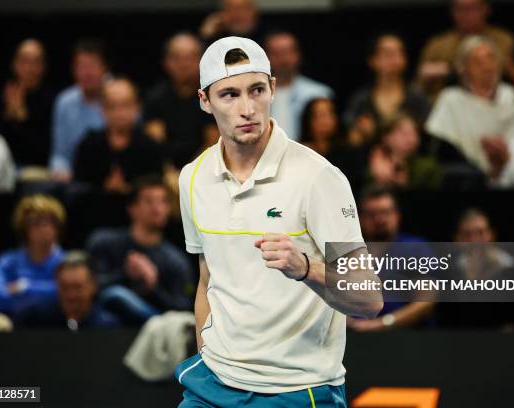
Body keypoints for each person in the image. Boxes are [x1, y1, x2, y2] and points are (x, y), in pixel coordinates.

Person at [176, 36, 382, 407]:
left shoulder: (319, 177)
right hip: (214, 382)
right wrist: (208, 352)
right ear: (205, 101)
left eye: (256, 90)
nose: (247, 108)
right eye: (229, 95)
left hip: (298, 389)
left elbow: (368, 298)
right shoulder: (192, 177)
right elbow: (207, 281)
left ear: (272, 89)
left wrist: (305, 267)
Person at [87, 176, 194, 325]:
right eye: (149, 201)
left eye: (163, 201)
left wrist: (152, 287)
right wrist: (126, 274)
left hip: (156, 326)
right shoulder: (105, 242)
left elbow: (184, 308)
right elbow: (90, 288)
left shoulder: (176, 260)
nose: (157, 208)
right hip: (107, 324)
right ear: (132, 208)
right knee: (114, 297)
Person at [425, 35, 514, 175]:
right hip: (466, 177)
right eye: (477, 62)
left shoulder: (511, 96)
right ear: (463, 68)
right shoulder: (451, 99)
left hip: (511, 174)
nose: (487, 66)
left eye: (491, 58)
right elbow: (440, 143)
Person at [347, 188, 435, 332]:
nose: (379, 219)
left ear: (397, 215)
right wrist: (349, 323)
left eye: (385, 212)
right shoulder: (347, 252)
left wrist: (384, 323)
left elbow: (426, 301)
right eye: (372, 214)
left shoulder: (416, 248)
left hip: (405, 336)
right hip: (353, 335)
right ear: (360, 218)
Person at [417, 0, 514, 100]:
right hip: (445, 105)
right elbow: (418, 85)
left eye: (472, 8)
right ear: (452, 11)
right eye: (461, 9)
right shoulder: (437, 45)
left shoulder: (502, 41)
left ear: (486, 9)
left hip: (490, 101)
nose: (466, 15)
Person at [73, 77, 163, 193]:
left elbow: (156, 193)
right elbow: (77, 191)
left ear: (137, 107)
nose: (120, 112)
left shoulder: (151, 148)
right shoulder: (89, 145)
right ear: (102, 109)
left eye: (126, 105)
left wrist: (129, 191)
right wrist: (104, 189)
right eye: (112, 106)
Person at [143, 32, 218, 168]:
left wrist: (189, 174)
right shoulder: (155, 98)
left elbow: (213, 143)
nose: (183, 64)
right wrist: (168, 172)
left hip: (204, 167)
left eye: (190, 57)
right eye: (176, 58)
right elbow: (154, 144)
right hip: (163, 171)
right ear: (165, 62)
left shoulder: (213, 96)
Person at [344, 33, 430, 146]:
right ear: (372, 60)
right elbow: (350, 139)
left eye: (399, 53)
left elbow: (428, 138)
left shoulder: (416, 97)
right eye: (388, 54)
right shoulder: (361, 99)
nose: (394, 59)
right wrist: (360, 133)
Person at [0, 194, 66, 322]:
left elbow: (63, 295)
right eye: (36, 223)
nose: (44, 228)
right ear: (24, 229)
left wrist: (23, 287)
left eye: (49, 222)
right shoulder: (8, 261)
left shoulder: (65, 262)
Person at [50, 39, 109, 182]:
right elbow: (60, 153)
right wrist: (60, 170)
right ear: (73, 70)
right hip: (75, 179)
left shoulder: (119, 95)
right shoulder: (64, 101)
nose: (87, 73)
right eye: (81, 66)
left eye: (93, 66)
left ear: (105, 68)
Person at [20, 251, 120, 330]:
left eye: (77, 287)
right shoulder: (37, 320)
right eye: (65, 287)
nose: (71, 295)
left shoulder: (107, 326)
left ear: (93, 286)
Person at [0, 38, 55, 169]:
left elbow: (45, 149)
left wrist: (22, 118)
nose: (29, 68)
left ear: (43, 66)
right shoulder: (3, 96)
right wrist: (8, 115)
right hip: (1, 168)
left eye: (36, 62)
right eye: (24, 61)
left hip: (37, 169)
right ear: (14, 64)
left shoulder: (53, 100)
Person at [265, 30, 333, 140]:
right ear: (266, 57)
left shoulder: (318, 94)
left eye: (287, 52)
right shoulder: (254, 95)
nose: (283, 59)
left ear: (298, 54)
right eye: (276, 53)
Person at [366, 113, 443, 190]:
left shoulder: (428, 168)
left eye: (415, 133)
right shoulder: (372, 160)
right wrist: (374, 176)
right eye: (404, 133)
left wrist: (405, 186)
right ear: (386, 136)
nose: (411, 138)